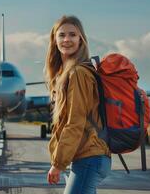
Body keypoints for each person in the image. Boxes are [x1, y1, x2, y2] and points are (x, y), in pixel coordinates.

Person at [45, 15, 111, 194]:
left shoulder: (78, 73)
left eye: (73, 34)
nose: (67, 39)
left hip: (90, 159)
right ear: (54, 40)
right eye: (62, 35)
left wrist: (58, 164)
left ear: (81, 39)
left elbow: (75, 122)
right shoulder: (66, 74)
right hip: (88, 158)